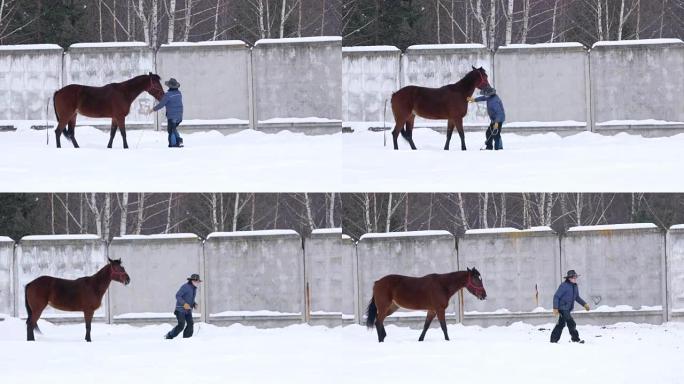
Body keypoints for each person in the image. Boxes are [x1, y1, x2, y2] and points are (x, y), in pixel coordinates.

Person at [550, 270, 590, 343]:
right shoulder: (564, 286)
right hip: (562, 308)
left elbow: (577, 297)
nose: (575, 279)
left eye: (575, 277)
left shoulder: (575, 286)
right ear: (569, 278)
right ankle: (575, 339)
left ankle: (553, 340)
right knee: (571, 323)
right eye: (573, 277)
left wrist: (584, 304)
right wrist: (555, 308)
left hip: (567, 309)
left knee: (561, 324)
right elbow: (556, 296)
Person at [467, 85, 505, 150]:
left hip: (498, 119)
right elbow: (483, 98)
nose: (485, 95)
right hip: (494, 119)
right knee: (489, 132)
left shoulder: (494, 101)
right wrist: (474, 100)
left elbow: (499, 113)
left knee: (495, 134)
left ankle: (498, 149)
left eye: (485, 94)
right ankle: (489, 147)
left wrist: (496, 123)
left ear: (489, 93)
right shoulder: (490, 97)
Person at [149, 78, 184, 148]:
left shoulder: (168, 95)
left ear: (169, 86)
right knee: (173, 128)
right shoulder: (179, 93)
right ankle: (179, 141)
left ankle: (173, 144)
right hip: (180, 116)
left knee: (171, 130)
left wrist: (153, 109)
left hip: (172, 116)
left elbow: (161, 104)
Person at [165, 273, 201, 339]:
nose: (197, 282)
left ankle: (187, 339)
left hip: (188, 310)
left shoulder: (194, 289)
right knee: (181, 325)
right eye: (195, 281)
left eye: (198, 281)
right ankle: (169, 335)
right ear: (191, 280)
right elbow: (178, 296)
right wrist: (184, 304)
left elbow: (189, 299)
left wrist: (194, 304)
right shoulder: (185, 287)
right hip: (180, 310)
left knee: (190, 324)